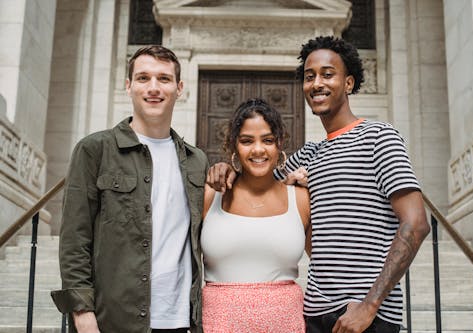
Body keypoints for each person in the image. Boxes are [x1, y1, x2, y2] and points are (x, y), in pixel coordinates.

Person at [207, 36, 430, 333]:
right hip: (315, 314)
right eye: (309, 76)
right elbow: (255, 176)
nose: (316, 83)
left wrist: (369, 306)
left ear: (349, 83)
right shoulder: (310, 154)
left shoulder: (380, 137)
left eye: (327, 74)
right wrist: (225, 170)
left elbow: (416, 224)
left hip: (366, 316)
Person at [51, 45, 208, 333]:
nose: (153, 88)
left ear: (179, 88)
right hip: (113, 318)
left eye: (163, 79)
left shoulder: (197, 160)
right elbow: (75, 238)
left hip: (180, 320)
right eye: (143, 78)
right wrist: (82, 312)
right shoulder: (95, 149)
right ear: (128, 86)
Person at [201, 98, 311, 332]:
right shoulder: (212, 194)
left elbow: (327, 266)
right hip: (218, 325)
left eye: (268, 140)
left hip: (285, 325)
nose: (258, 149)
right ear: (233, 145)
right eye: (247, 141)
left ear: (280, 144)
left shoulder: (301, 199)